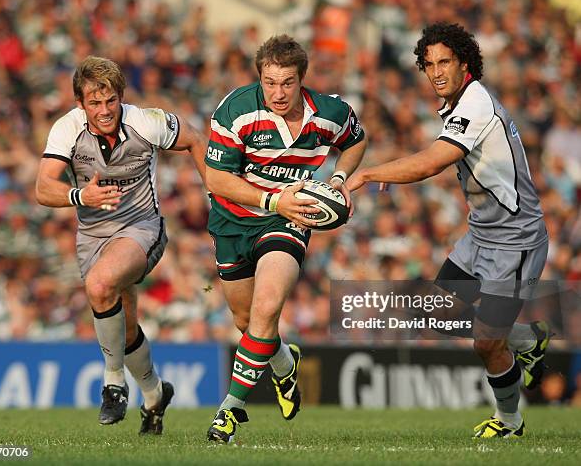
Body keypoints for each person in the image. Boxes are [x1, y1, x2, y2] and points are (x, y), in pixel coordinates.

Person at [348, 23, 551, 438]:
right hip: (481, 234)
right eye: (429, 65)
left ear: (464, 64)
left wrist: (369, 174)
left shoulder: (475, 102)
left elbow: (431, 162)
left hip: (516, 238)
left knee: (484, 343)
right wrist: (395, 173)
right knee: (440, 310)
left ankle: (510, 422)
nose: (436, 71)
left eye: (445, 62)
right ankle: (527, 340)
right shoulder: (459, 102)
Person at [204, 34, 367, 442]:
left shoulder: (329, 112)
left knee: (267, 306)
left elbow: (356, 141)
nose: (278, 92)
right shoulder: (236, 110)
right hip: (232, 222)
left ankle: (229, 411)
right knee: (247, 321)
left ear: (302, 80)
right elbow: (217, 178)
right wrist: (271, 199)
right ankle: (282, 363)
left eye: (287, 83)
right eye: (270, 82)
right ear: (260, 76)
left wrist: (339, 178)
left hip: (289, 219)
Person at [35, 55, 207, 434]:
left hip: (142, 227)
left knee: (100, 285)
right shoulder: (67, 128)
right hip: (93, 236)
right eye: (94, 103)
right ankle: (154, 394)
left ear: (121, 97)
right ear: (80, 104)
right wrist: (82, 197)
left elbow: (195, 138)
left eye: (110, 100)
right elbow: (43, 187)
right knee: (124, 326)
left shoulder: (146, 121)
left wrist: (219, 195)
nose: (104, 110)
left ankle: (113, 382)